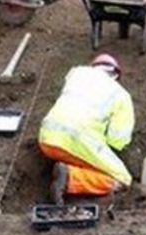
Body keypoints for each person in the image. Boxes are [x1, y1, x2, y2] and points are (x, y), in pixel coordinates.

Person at [38, 54, 135, 204]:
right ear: (115, 75)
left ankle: (68, 169)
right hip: (76, 140)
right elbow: (117, 141)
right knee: (123, 179)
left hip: (46, 138)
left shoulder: (75, 74)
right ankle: (70, 177)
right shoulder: (120, 95)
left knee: (81, 155)